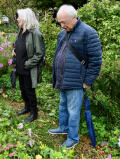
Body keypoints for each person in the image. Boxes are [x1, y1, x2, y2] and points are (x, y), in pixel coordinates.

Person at [48, 5, 102, 149]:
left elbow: (96, 60)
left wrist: (88, 81)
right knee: (63, 106)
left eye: (64, 22)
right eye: (60, 22)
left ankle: (73, 138)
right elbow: (59, 54)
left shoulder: (88, 33)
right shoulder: (63, 33)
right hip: (62, 78)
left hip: (77, 81)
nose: (62, 25)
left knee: (73, 111)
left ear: (74, 18)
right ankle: (63, 127)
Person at [13, 8, 45, 122]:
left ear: (25, 18)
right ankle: (26, 108)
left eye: (19, 17)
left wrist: (27, 64)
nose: (17, 19)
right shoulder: (21, 30)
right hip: (20, 67)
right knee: (23, 89)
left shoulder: (35, 33)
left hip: (29, 69)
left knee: (30, 91)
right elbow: (18, 45)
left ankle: (34, 113)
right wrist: (15, 51)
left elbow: (39, 54)